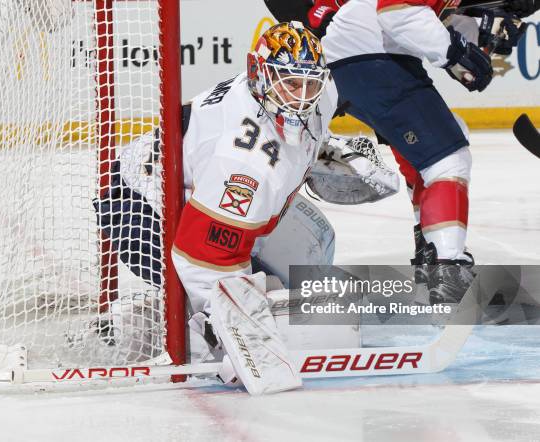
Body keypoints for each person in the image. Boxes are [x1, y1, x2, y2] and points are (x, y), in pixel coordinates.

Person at [95, 21, 399, 394]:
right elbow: (203, 256)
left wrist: (326, 150)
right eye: (289, 83)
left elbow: (310, 114)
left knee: (314, 246)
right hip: (138, 207)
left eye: (309, 84)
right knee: (249, 303)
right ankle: (138, 329)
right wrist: (238, 335)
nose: (301, 97)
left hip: (195, 188)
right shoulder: (243, 161)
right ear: (258, 72)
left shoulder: (314, 93)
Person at [263, 0, 538, 305]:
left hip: (363, 56)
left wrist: (481, 33)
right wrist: (454, 53)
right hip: (370, 57)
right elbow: (398, 10)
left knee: (438, 147)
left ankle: (431, 253)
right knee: (447, 160)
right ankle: (449, 271)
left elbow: (434, 16)